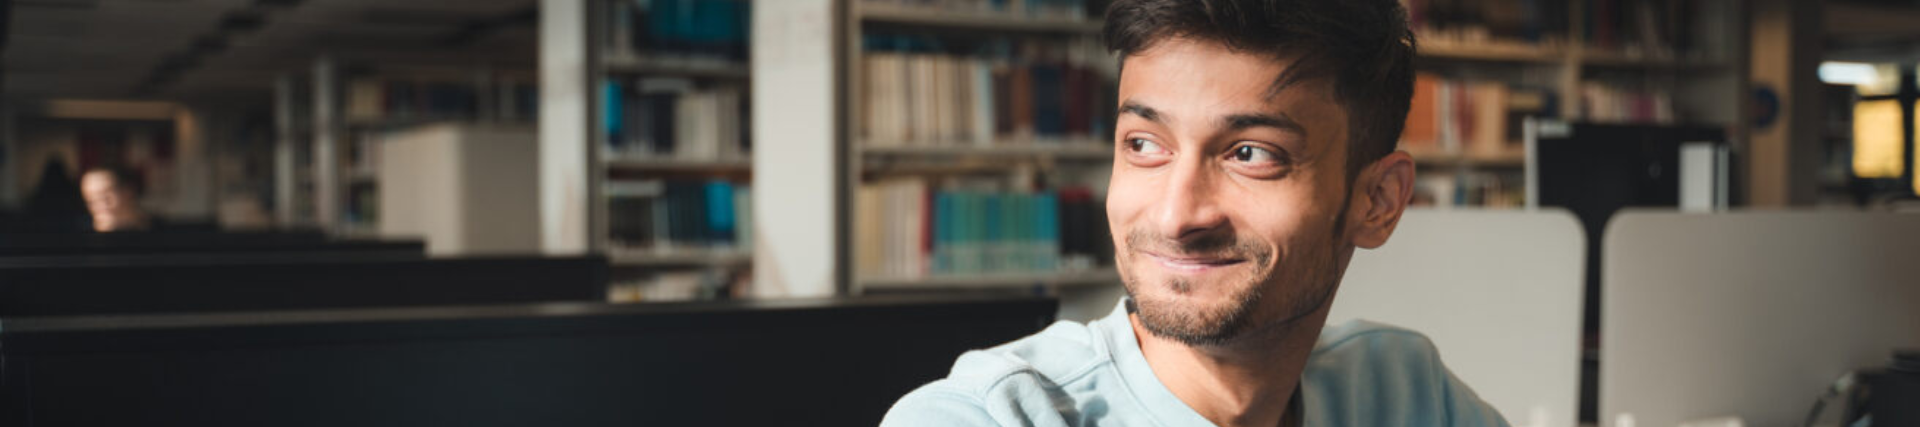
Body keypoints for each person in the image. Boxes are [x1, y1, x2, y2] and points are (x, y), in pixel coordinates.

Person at [882, 0, 1509, 426]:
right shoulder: (988, 417)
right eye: (1144, 145)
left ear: (1377, 202)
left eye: (1250, 154)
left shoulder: (1403, 390)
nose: (1178, 214)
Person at [80, 165, 154, 232]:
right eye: (90, 197)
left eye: (106, 194)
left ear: (129, 192)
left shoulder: (159, 230)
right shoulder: (79, 232)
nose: (99, 203)